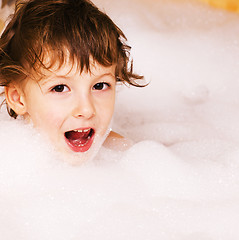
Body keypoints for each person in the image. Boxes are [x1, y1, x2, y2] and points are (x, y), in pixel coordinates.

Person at [0, 0, 143, 163]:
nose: (87, 109)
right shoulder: (9, 162)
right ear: (18, 98)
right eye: (60, 88)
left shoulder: (120, 152)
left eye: (99, 86)